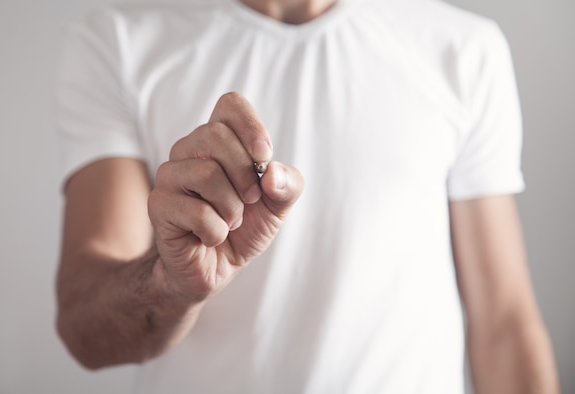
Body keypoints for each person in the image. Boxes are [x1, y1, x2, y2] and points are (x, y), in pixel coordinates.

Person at [55, 0, 560, 392]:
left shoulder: (464, 50)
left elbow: (503, 323)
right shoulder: (120, 42)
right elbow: (84, 325)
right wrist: (171, 283)